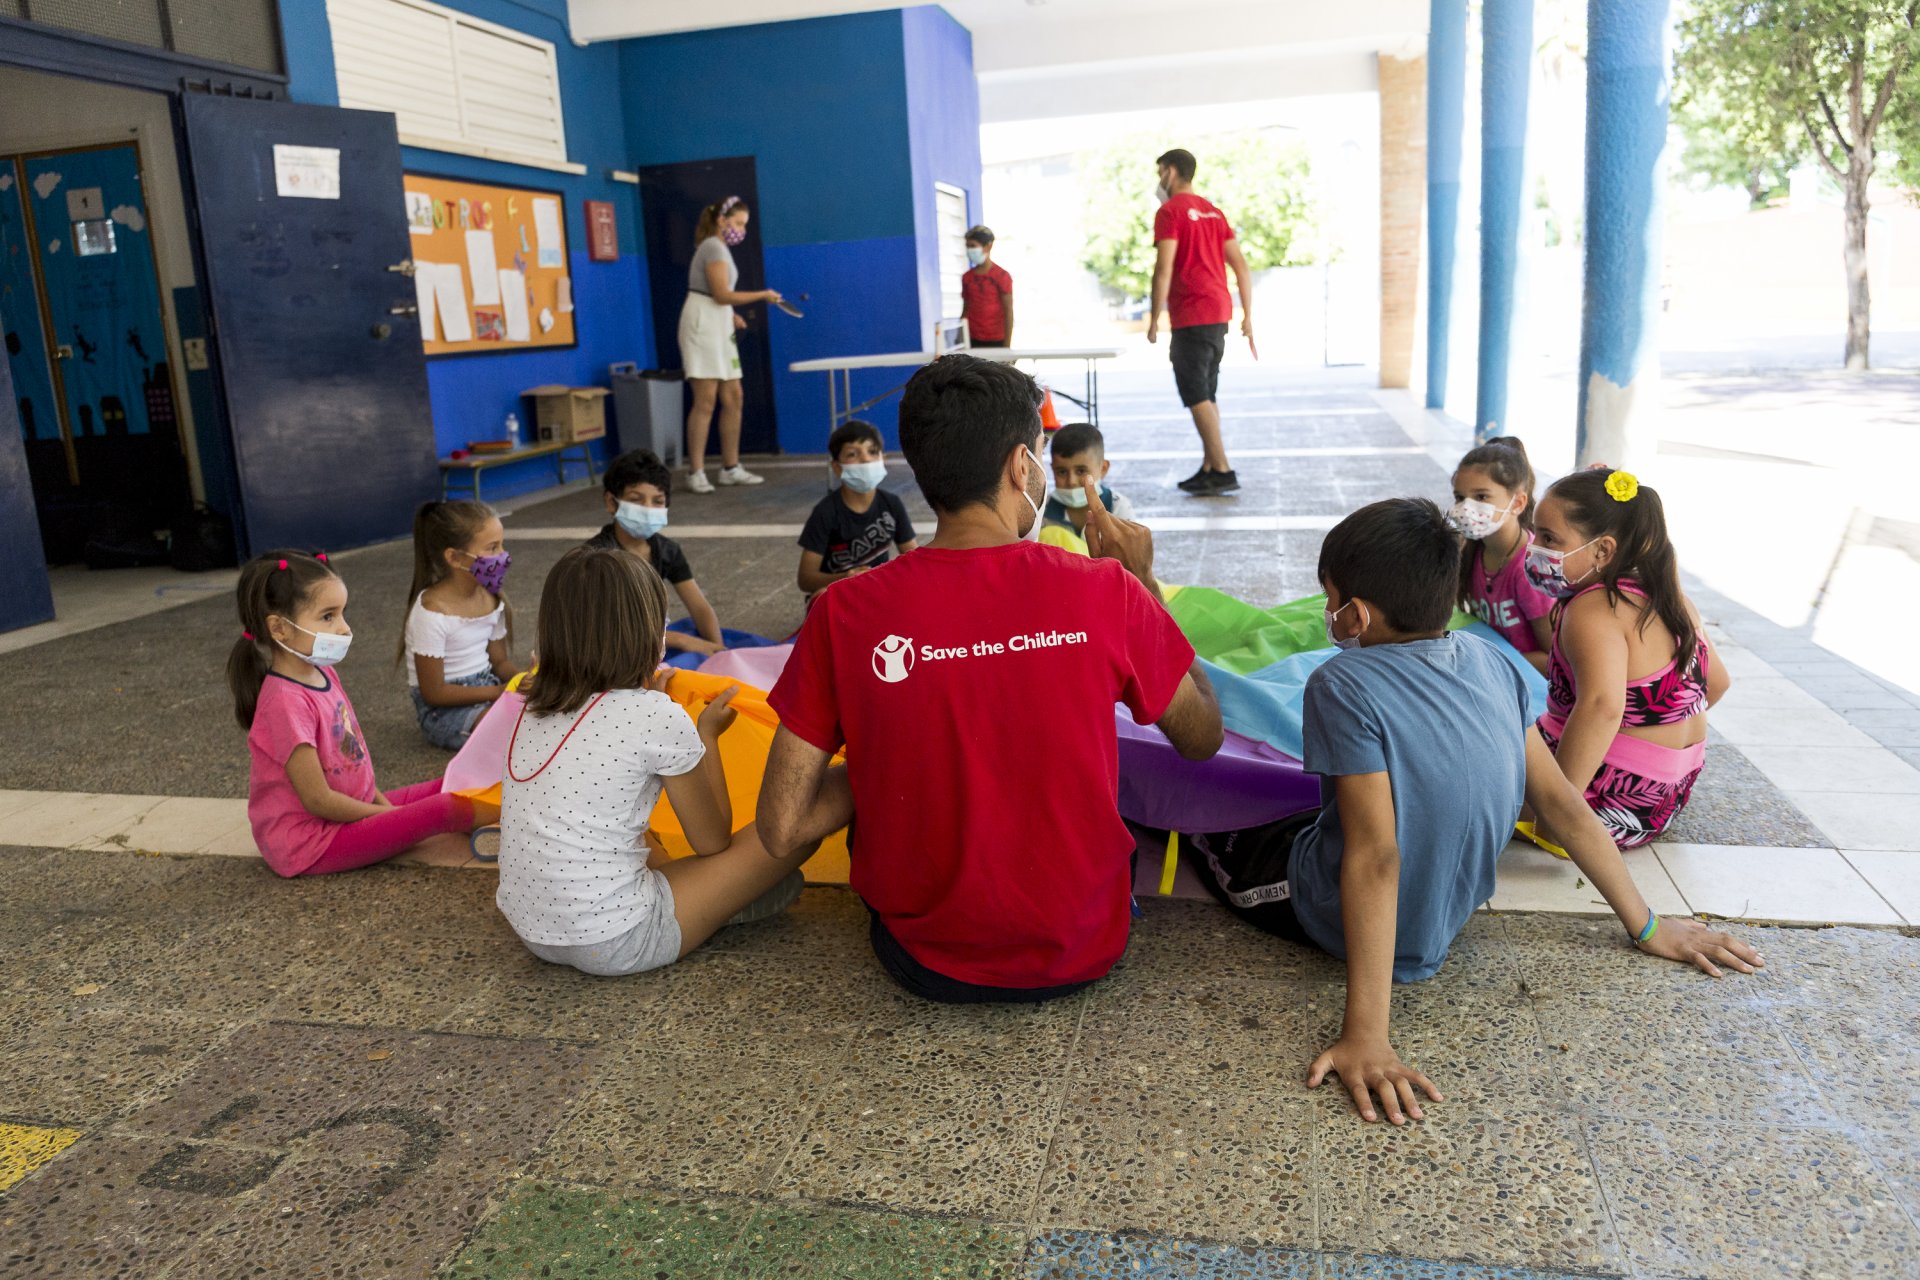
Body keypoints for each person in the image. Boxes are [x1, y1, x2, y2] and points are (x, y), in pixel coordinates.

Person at [1187, 498, 1761, 1125]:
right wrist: (1648, 926)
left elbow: (1376, 857)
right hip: (1451, 915)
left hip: (1339, 913)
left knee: (1209, 818)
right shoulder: (1492, 660)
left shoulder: (1339, 685)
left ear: (1358, 612)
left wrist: (1368, 1036)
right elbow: (1564, 804)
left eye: (1330, 601)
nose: (1329, 615)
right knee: (1315, 807)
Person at [756, 354, 1224, 1003]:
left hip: (921, 959)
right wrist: (1144, 584)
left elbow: (782, 825)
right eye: (1040, 452)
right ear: (1019, 466)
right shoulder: (1106, 590)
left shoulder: (844, 612)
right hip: (1085, 942)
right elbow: (1203, 735)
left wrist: (891, 758)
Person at [496, 547, 840, 976]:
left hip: (534, 930)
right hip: (620, 939)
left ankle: (722, 899)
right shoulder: (655, 715)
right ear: (648, 631)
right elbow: (711, 842)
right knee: (796, 821)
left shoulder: (532, 704)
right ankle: (724, 907)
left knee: (627, 829)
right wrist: (705, 736)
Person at [229, 550, 487, 877]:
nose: (343, 628)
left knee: (450, 782)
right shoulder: (284, 701)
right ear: (280, 628)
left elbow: (353, 761)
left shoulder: (322, 672)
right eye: (327, 616)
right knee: (444, 808)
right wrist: (391, 819)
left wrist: (390, 812)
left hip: (349, 811)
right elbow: (318, 801)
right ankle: (513, 823)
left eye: (342, 613)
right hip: (310, 842)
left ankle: (496, 813)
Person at [1525, 467, 1729, 850]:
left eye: (1550, 538)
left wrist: (1559, 817)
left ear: (1603, 550)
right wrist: (1650, 740)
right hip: (1660, 803)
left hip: (1601, 803)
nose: (1536, 547)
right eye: (1536, 533)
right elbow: (1716, 684)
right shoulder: (1671, 599)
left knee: (1462, 773)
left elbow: (1602, 709)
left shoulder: (1593, 610)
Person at [1147, 147, 1254, 497]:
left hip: (1191, 315)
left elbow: (1164, 267)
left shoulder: (1170, 212)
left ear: (1172, 172)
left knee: (1196, 394)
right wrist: (1247, 314)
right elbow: (1240, 265)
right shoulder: (1214, 212)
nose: (1159, 179)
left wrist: (1153, 318)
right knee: (1206, 393)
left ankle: (1222, 468)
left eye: (1161, 171)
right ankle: (1210, 466)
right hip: (1218, 312)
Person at [679, 195, 781, 494]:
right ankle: (695, 472)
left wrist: (731, 315)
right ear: (722, 219)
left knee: (734, 396)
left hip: (719, 323)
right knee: (706, 400)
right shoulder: (712, 245)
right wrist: (762, 295)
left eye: (744, 224)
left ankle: (730, 468)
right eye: (737, 223)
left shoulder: (720, 248)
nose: (741, 229)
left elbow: (719, 298)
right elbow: (720, 293)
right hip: (701, 325)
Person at [401, 500, 522, 749]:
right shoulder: (432, 612)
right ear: (455, 558)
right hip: (443, 711)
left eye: (502, 545)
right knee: (513, 733)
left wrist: (522, 681)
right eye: (492, 548)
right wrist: (499, 692)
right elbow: (434, 692)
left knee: (545, 717)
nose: (503, 555)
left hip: (489, 688)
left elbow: (499, 662)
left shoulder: (490, 596)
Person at [587, 448, 728, 659]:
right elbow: (608, 628)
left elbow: (699, 607)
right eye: (636, 500)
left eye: (657, 501)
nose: (647, 508)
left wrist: (718, 652)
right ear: (611, 502)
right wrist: (681, 640)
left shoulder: (666, 551)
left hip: (651, 643)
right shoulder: (595, 558)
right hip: (608, 651)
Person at [1450, 437, 1555, 673]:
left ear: (1517, 503)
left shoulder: (1530, 570)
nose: (1466, 507)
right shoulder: (1472, 551)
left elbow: (1553, 660)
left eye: (1481, 497)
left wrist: (1492, 660)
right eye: (1460, 497)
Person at [796, 420, 919, 597]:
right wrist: (846, 577)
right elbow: (806, 578)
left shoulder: (891, 504)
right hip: (839, 592)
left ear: (883, 459)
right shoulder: (826, 512)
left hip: (877, 590)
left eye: (873, 452)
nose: (866, 459)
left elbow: (912, 558)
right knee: (821, 594)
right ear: (837, 467)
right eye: (853, 454)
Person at [1045, 422, 1134, 537]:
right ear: (1052, 469)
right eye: (1062, 472)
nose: (1071, 481)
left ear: (1103, 468)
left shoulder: (1118, 508)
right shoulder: (1044, 511)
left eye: (1081, 471)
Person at [960, 225, 1013, 348]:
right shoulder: (967, 277)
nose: (969, 250)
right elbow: (965, 309)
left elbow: (1008, 312)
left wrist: (1007, 348)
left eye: (973, 246)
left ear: (988, 246)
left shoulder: (1002, 276)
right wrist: (960, 338)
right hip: (971, 339)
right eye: (967, 246)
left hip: (996, 340)